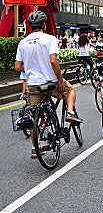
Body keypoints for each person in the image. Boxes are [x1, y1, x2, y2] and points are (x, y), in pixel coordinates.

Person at [15, 10, 83, 158]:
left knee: (34, 115)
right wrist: (59, 78)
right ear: (44, 25)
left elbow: (18, 67)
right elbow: (53, 61)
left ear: (30, 25)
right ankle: (71, 112)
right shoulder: (50, 39)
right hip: (50, 82)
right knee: (70, 90)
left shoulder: (22, 43)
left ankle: (35, 148)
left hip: (33, 84)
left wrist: (32, 69)